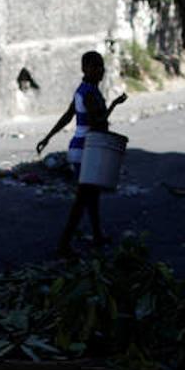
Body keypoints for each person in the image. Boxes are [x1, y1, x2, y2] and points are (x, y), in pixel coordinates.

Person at [35, 51, 127, 254]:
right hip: (88, 149)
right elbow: (98, 121)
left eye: (101, 66)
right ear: (85, 68)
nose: (100, 71)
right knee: (83, 198)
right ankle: (64, 244)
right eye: (95, 67)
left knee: (91, 196)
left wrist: (47, 138)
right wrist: (113, 105)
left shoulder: (83, 90)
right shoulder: (90, 93)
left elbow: (68, 116)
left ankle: (96, 236)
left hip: (82, 148)